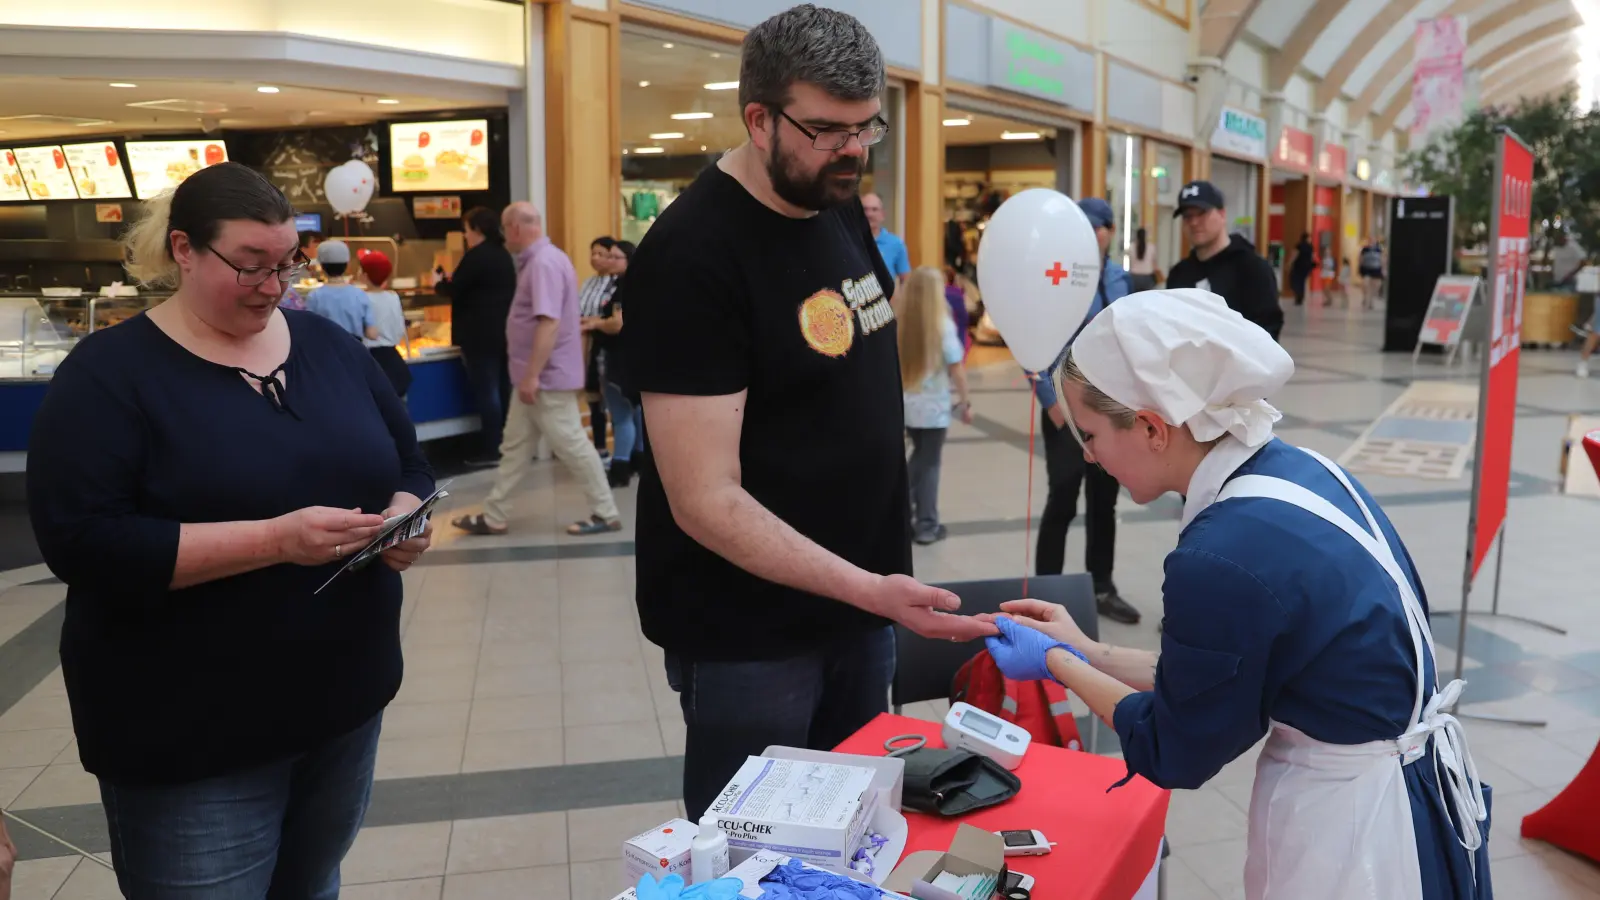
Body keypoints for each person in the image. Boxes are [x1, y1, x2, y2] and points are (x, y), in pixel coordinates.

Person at [983, 288, 1492, 900]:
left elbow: (1175, 748)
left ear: (1151, 427)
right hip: (1408, 788)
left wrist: (1056, 663)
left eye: (1089, 435)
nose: (1088, 457)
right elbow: (1237, 671)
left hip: (1357, 831)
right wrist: (1087, 650)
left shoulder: (1218, 554)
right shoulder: (1302, 468)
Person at [617, 3, 996, 821]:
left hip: (861, 610)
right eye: (826, 129)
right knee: (759, 852)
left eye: (867, 128)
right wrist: (869, 590)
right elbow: (704, 499)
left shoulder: (834, 200)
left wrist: (871, 594)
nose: (852, 150)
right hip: (753, 638)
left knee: (856, 831)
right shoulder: (692, 256)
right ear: (759, 120)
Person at [25, 162, 435, 899]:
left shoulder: (330, 348)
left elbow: (408, 462)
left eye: (287, 264)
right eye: (249, 265)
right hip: (192, 734)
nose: (272, 286)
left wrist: (407, 513)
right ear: (183, 249)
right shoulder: (108, 376)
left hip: (344, 706)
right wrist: (275, 541)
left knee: (311, 885)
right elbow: (83, 542)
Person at [451, 202, 622, 537]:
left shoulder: (543, 264)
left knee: (572, 444)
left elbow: (548, 322)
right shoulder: (542, 260)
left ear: (515, 228)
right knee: (515, 447)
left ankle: (606, 511)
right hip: (534, 377)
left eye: (505, 229)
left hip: (544, 378)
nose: (503, 237)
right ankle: (495, 514)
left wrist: (531, 375)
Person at [1032, 197, 1139, 624]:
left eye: (1098, 227)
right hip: (1065, 408)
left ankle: (1102, 587)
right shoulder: (1057, 276)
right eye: (1084, 226)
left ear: (1110, 231)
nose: (1092, 235)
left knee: (1103, 500)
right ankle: (1045, 592)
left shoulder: (1119, 278)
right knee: (1062, 497)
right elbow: (1033, 336)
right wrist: (1051, 402)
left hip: (1109, 407)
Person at [435, 207, 518, 467]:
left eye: (466, 230)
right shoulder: (503, 255)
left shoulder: (476, 256)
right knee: (503, 390)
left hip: (479, 335)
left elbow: (455, 288)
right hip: (503, 332)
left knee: (487, 392)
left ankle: (492, 448)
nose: (465, 235)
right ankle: (508, 445)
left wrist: (439, 282)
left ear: (477, 230)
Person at [897, 266, 972, 545]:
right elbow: (957, 368)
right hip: (933, 410)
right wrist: (966, 401)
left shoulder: (901, 324)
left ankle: (905, 515)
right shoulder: (942, 326)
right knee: (929, 465)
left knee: (919, 456)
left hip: (907, 407)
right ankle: (927, 525)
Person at [1166, 180, 1284, 340]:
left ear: (1222, 214)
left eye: (1202, 213)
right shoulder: (1179, 275)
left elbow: (1268, 330)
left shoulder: (1252, 269)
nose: (1194, 222)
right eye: (1187, 216)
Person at [584, 240, 643, 488]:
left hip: (619, 359)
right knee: (635, 413)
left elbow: (617, 324)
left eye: (614, 257)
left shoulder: (624, 288)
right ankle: (638, 460)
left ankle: (620, 468)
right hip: (630, 357)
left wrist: (595, 323)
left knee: (621, 415)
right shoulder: (629, 284)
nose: (608, 261)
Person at [580, 236, 619, 461]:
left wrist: (594, 322)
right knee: (593, 398)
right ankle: (600, 448)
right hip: (588, 346)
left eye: (601, 254)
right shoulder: (588, 283)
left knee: (614, 401)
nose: (595, 258)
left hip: (609, 345)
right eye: (593, 253)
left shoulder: (617, 285)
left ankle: (623, 452)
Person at [357, 248, 413, 398]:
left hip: (371, 363)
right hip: (395, 363)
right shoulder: (393, 297)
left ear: (364, 276)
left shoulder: (360, 299)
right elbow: (400, 330)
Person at [305, 240, 378, 342]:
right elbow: (372, 334)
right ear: (347, 265)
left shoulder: (315, 296)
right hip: (353, 348)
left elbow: (309, 330)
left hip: (326, 348)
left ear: (321, 266)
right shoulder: (360, 295)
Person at [862, 191, 910, 283]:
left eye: (874, 209)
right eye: (865, 209)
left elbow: (906, 281)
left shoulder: (896, 244)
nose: (869, 214)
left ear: (883, 214)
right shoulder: (847, 241)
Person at [1127, 226, 1157, 292]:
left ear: (1137, 236)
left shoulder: (1131, 247)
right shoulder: (1151, 247)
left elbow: (1130, 262)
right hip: (1148, 277)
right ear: (1145, 236)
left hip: (1134, 277)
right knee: (1147, 297)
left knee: (1134, 297)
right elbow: (1154, 265)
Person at [1359, 237, 1385, 311]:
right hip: (1366, 269)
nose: (1371, 242)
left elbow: (1382, 259)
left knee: (1376, 285)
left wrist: (1383, 268)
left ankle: (1371, 301)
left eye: (1373, 240)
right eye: (1370, 240)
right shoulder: (1365, 249)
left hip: (1376, 269)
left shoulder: (1378, 250)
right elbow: (1361, 258)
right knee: (1365, 284)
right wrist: (1360, 267)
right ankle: (1365, 297)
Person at [1289, 232, 1315, 307]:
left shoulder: (1299, 245)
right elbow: (1312, 257)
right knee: (1302, 282)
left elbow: (1295, 255)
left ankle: (1298, 296)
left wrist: (1289, 263)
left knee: (1296, 281)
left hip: (1298, 266)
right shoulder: (1310, 246)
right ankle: (1301, 297)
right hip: (1306, 267)